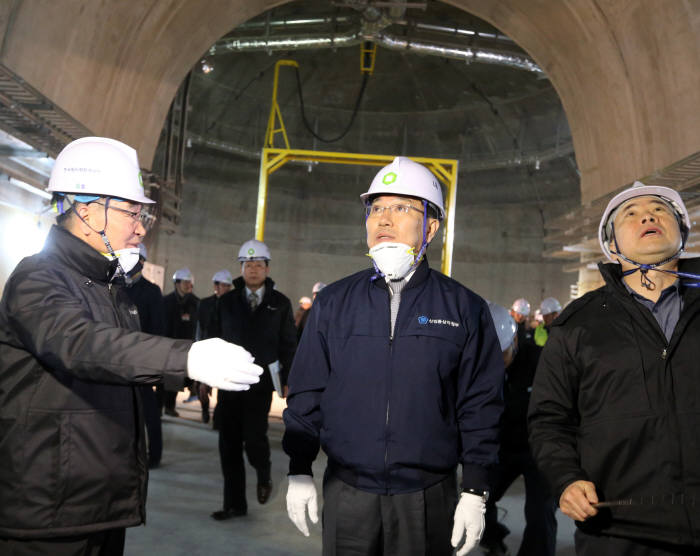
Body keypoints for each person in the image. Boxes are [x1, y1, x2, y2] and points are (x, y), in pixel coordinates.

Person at [0, 137, 263, 555]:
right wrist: (186, 357)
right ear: (85, 208)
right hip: (49, 511)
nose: (141, 227)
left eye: (144, 215)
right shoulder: (38, 278)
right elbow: (83, 343)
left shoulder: (108, 287)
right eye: (131, 212)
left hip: (98, 503)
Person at [283, 156, 504, 555]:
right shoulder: (334, 302)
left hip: (426, 496)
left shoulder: (464, 308)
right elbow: (307, 390)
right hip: (347, 491)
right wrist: (299, 468)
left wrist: (475, 488)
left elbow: (481, 404)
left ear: (431, 226)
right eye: (376, 208)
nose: (384, 219)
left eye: (402, 207)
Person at [528, 181, 700, 555]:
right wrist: (566, 480)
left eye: (659, 209)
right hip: (617, 534)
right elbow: (549, 420)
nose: (648, 216)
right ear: (612, 245)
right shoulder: (579, 324)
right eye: (631, 214)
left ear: (682, 232)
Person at [210, 239, 297, 520]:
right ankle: (234, 504)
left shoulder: (280, 304)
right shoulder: (227, 302)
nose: (253, 269)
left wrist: (288, 378)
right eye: (248, 264)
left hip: (259, 386)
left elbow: (288, 344)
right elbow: (213, 339)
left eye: (259, 264)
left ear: (267, 268)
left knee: (254, 440)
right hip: (228, 383)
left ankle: (263, 472)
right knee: (228, 444)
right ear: (241, 268)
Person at [480, 303, 556, 556]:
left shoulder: (541, 361)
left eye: (502, 355)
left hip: (540, 449)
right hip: (503, 446)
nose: (497, 363)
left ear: (514, 340)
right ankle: (493, 538)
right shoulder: (482, 366)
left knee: (540, 512)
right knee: (479, 496)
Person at [125, 242, 167, 468]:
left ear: (142, 262)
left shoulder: (151, 292)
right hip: (118, 359)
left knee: (149, 412)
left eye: (136, 258)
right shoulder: (116, 287)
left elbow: (158, 328)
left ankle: (155, 454)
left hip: (141, 360)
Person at [197, 269, 233, 425]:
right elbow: (199, 326)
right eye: (222, 285)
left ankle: (218, 417)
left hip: (226, 351)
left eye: (227, 286)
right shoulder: (205, 304)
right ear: (216, 285)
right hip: (207, 348)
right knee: (202, 386)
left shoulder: (234, 306)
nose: (224, 288)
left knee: (224, 387)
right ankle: (205, 410)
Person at [162, 267, 199, 416]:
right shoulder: (166, 302)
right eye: (185, 282)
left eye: (190, 282)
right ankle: (161, 406)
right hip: (168, 346)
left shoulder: (195, 303)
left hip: (187, 347)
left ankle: (170, 406)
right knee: (164, 380)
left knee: (178, 379)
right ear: (177, 283)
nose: (189, 285)